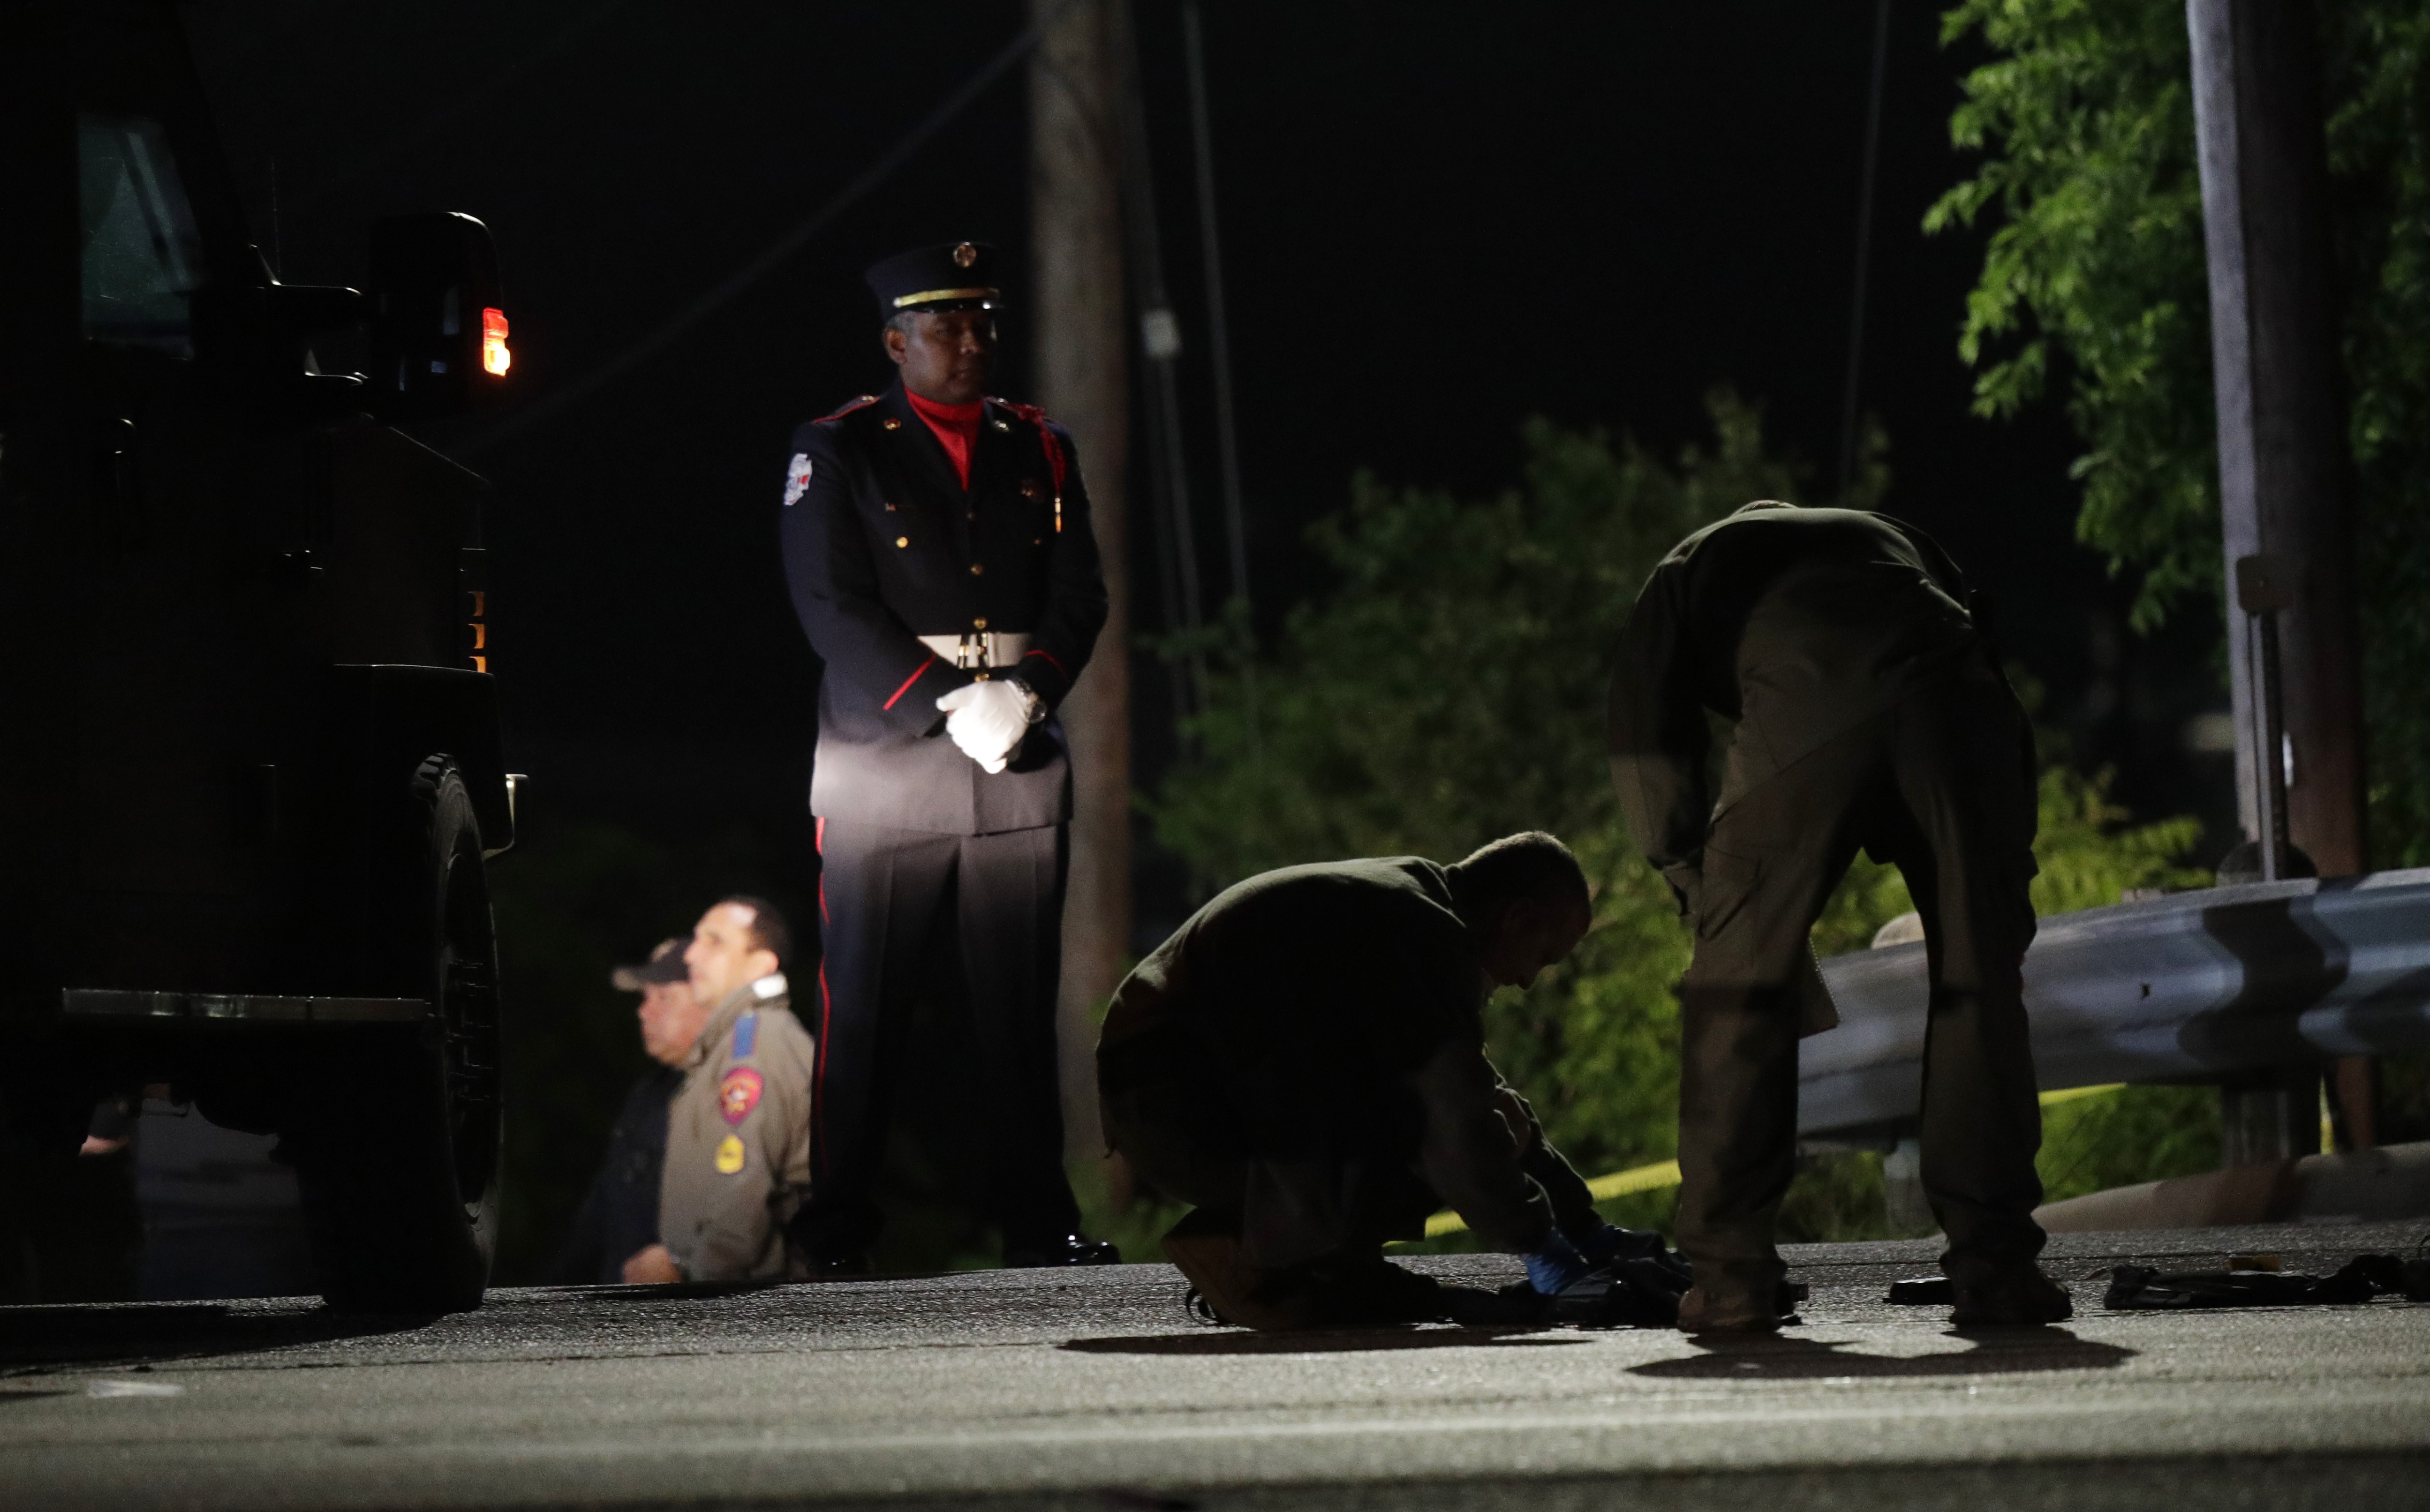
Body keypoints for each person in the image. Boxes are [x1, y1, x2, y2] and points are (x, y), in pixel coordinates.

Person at [1607, 499, 2069, 1331]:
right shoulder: (1902, 537)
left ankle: (1729, 1278)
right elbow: (1983, 653)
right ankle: (1996, 1269)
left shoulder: (1684, 568)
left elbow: (1643, 733)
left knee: (1737, 997)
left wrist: (1693, 879)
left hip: (1805, 703)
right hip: (1960, 707)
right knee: (1979, 989)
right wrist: (2003, 880)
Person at [777, 241, 1115, 1271]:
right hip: (886, 761)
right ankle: (838, 1231)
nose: (971, 344)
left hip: (1012, 752)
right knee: (865, 1008)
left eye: (982, 326)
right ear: (896, 341)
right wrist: (937, 703)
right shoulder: (839, 448)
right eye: (945, 327)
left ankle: (1035, 1221)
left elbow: (1079, 592)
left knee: (1017, 1013)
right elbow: (830, 605)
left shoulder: (1038, 446)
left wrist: (1028, 689)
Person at [1097, 833, 1688, 1330]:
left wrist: (1587, 1229)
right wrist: (1543, 1248)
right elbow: (1454, 1121)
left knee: (1478, 1119)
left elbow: (1479, 1097)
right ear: (1516, 918)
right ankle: (1250, 1259)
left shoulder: (1407, 904)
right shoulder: (1421, 932)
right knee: (1443, 1135)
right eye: (1544, 955)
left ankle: (1298, 1255)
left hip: (1183, 1100)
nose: (1531, 981)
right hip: (1177, 1115)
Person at [622, 898, 817, 1284]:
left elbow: (744, 1191)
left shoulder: (755, 1046)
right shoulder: (730, 1046)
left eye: (715, 942)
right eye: (696, 940)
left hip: (757, 1309)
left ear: (761, 965)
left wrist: (692, 1280)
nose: (693, 955)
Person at [549, 940, 697, 1285]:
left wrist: (683, 1265)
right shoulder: (651, 1092)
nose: (644, 1012)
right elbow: (602, 1215)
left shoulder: (730, 1089)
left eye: (663, 997)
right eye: (645, 998)